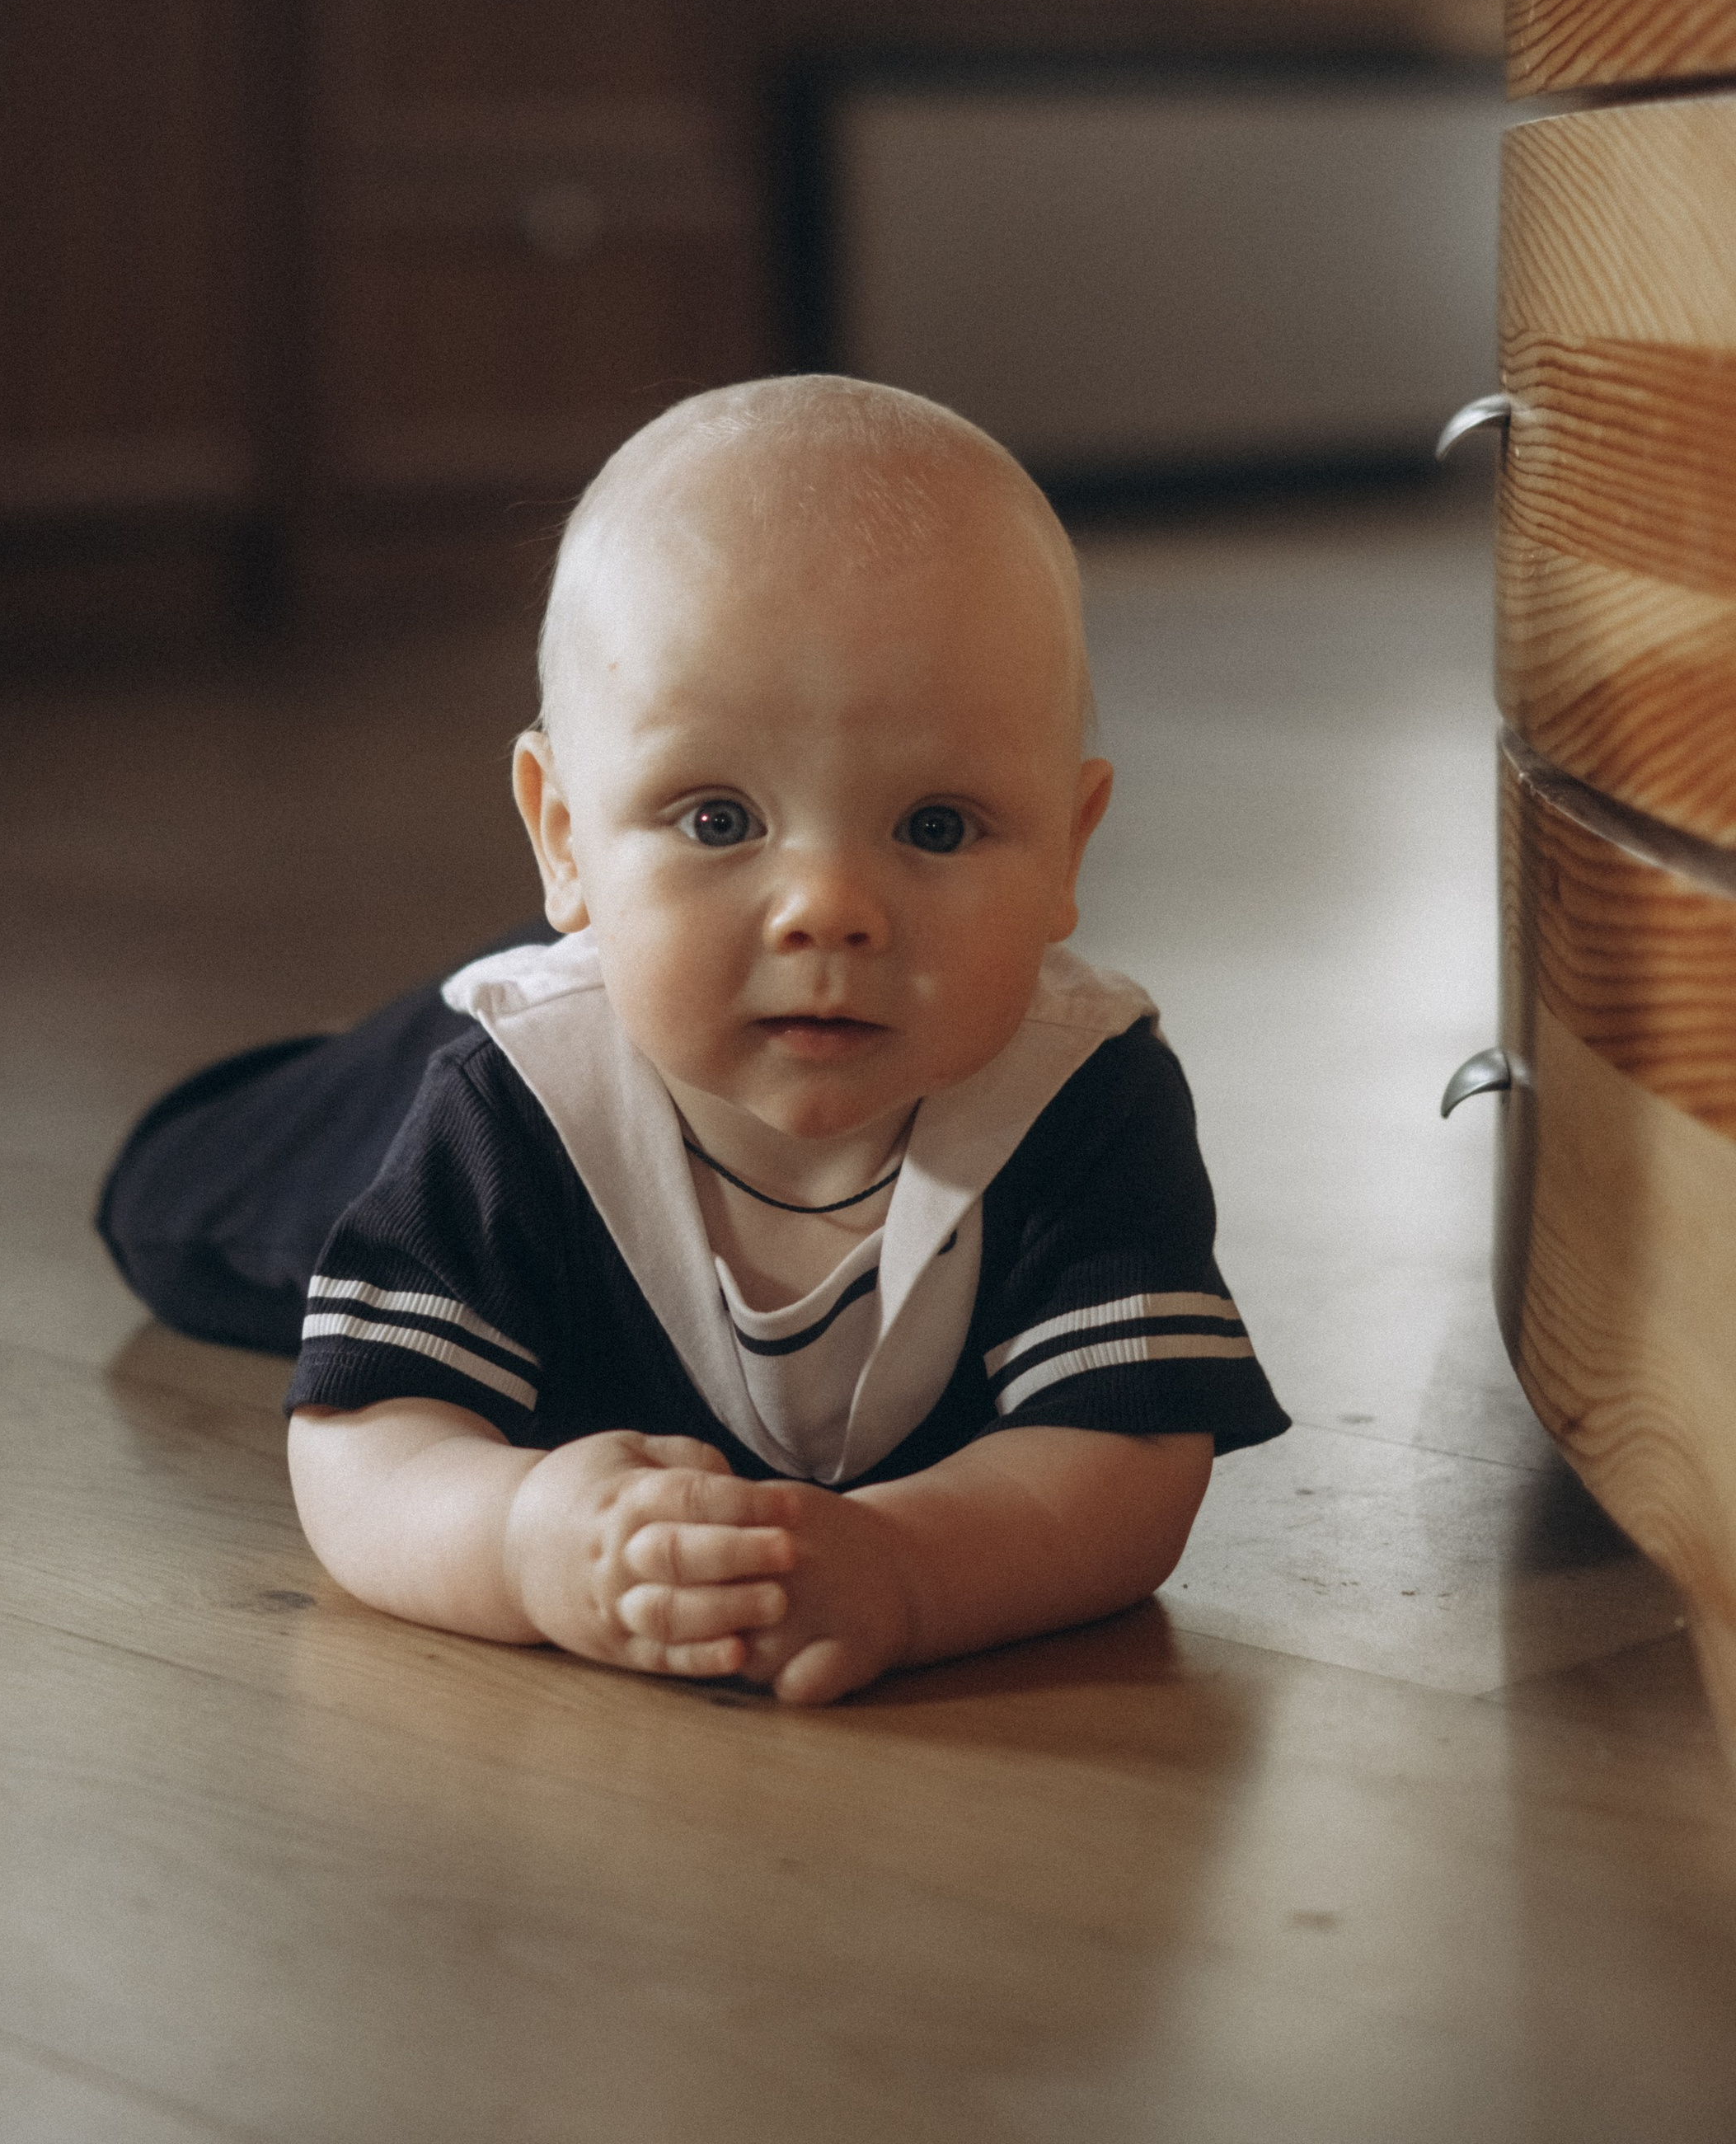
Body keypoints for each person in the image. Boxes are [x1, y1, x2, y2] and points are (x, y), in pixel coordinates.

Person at [99, 376, 1286, 1704]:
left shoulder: (1084, 1096)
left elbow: (1125, 1459)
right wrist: (525, 1540)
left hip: (658, 972)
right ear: (563, 834)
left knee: (652, 971)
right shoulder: (513, 1103)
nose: (829, 910)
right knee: (175, 1207)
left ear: (1070, 849)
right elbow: (363, 1435)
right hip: (498, 1057)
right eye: (719, 818)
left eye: (936, 827)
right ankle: (398, 1030)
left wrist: (906, 1567)